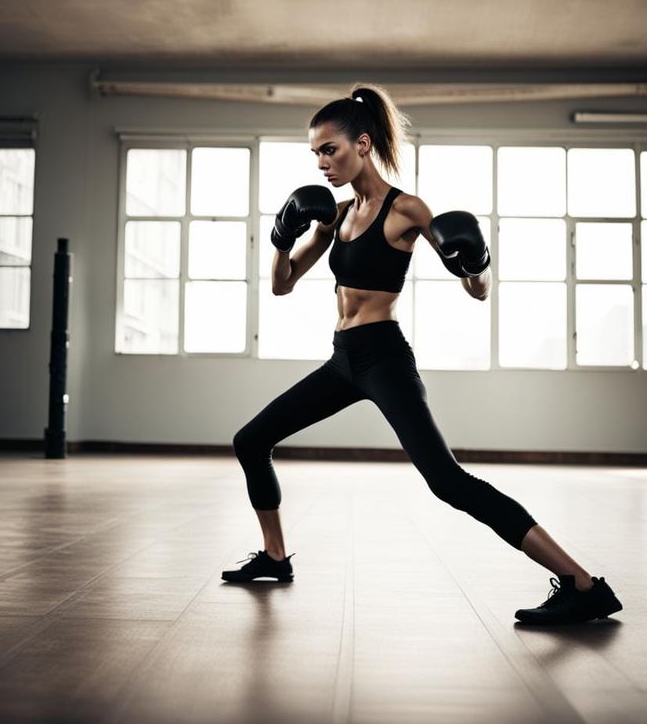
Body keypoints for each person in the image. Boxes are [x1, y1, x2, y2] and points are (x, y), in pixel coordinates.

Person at [227, 83, 621, 626]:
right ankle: (275, 558)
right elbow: (283, 284)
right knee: (251, 439)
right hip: (343, 360)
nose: (321, 162)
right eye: (314, 152)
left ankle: (584, 584)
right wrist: (278, 237)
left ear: (363, 144)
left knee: (447, 481)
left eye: (329, 150)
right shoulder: (335, 214)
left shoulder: (406, 210)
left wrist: (477, 260)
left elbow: (476, 288)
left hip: (384, 358)